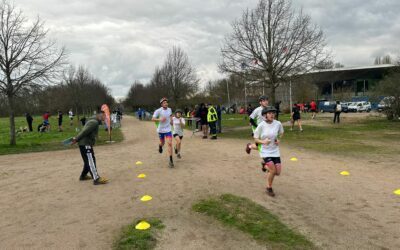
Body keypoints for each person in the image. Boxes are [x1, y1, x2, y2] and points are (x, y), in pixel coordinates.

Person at [71, 109, 108, 185]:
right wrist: (76, 139)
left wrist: (96, 136)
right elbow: (84, 132)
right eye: (104, 116)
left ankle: (83, 176)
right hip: (85, 144)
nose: (105, 117)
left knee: (87, 161)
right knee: (91, 160)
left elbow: (88, 131)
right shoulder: (94, 122)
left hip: (84, 144)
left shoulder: (94, 121)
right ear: (99, 115)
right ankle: (96, 179)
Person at [253, 107, 284, 197]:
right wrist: (263, 142)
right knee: (273, 171)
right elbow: (255, 138)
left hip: (275, 150)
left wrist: (278, 139)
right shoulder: (261, 125)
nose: (272, 115)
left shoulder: (278, 123)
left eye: (273, 113)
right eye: (269, 113)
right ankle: (269, 188)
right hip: (265, 151)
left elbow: (281, 133)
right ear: (265, 115)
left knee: (278, 172)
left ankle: (264, 165)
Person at [152, 97, 174, 168]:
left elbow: (170, 115)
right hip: (161, 130)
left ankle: (171, 161)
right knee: (163, 143)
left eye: (166, 102)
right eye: (164, 103)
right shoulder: (158, 111)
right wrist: (160, 119)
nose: (166, 103)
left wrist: (171, 121)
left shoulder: (170, 109)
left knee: (170, 143)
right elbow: (153, 119)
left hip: (168, 130)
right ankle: (160, 146)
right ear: (161, 104)